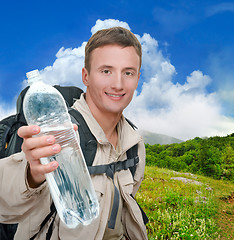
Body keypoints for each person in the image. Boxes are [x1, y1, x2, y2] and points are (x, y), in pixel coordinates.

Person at [0, 27, 148, 239]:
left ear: (137, 78)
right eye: (106, 71)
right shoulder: (58, 132)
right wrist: (31, 175)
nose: (118, 84)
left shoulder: (134, 143)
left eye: (128, 73)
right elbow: (5, 203)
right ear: (85, 76)